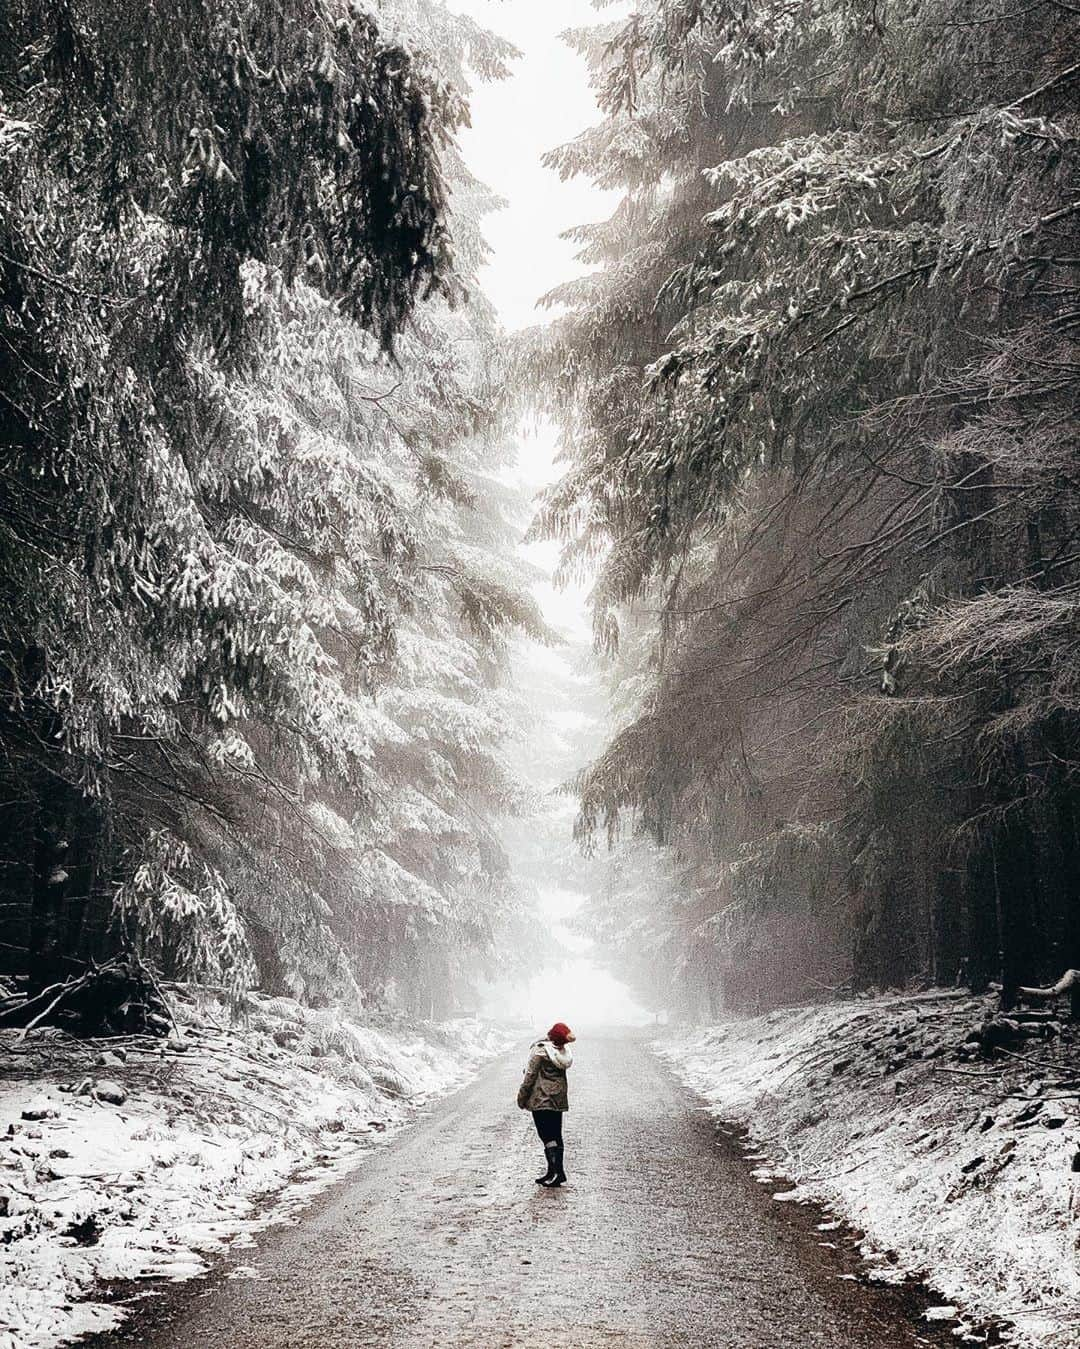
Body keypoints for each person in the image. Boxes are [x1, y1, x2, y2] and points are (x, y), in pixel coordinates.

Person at [517, 1021, 575, 1187]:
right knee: (556, 1134)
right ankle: (555, 1171)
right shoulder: (562, 1052)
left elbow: (530, 1075)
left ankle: (556, 1172)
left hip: (541, 1098)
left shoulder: (540, 1050)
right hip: (558, 1098)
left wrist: (522, 1097)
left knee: (546, 1135)